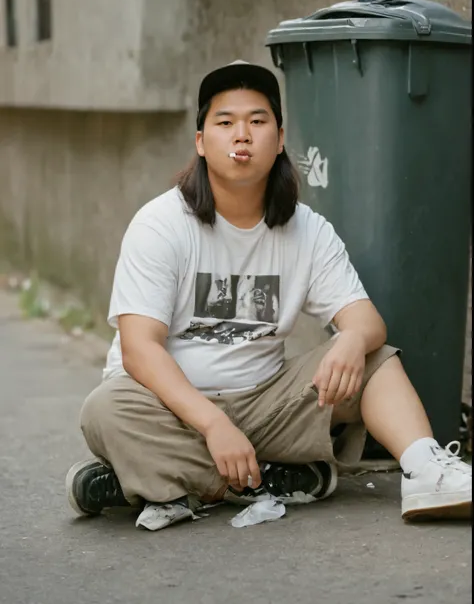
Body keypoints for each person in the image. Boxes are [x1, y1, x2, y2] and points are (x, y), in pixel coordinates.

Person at [66, 60, 472, 530]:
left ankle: (427, 470)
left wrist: (349, 341)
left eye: (257, 122)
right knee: (104, 410)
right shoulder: (161, 224)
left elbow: (366, 320)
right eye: (225, 123)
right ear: (200, 142)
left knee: (375, 357)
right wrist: (214, 425)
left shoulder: (308, 230)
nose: (242, 135)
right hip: (167, 409)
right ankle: (264, 479)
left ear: (279, 140)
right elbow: (139, 351)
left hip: (264, 404)